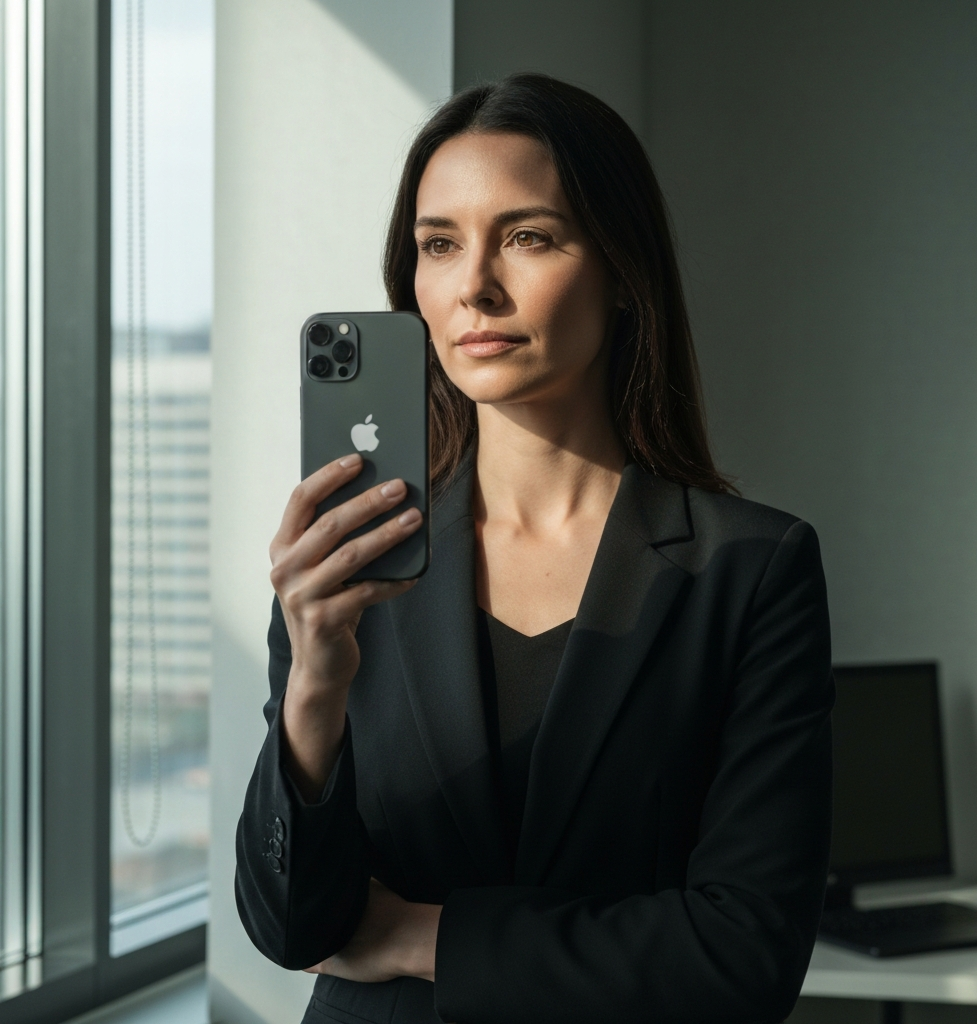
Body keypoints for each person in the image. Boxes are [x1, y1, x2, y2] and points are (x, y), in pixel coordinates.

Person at [235, 73, 833, 1024]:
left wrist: (420, 937)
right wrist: (315, 684)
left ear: (620, 271)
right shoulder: (347, 558)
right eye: (440, 245)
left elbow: (745, 955)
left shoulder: (751, 572)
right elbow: (291, 925)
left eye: (528, 237)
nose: (474, 284)